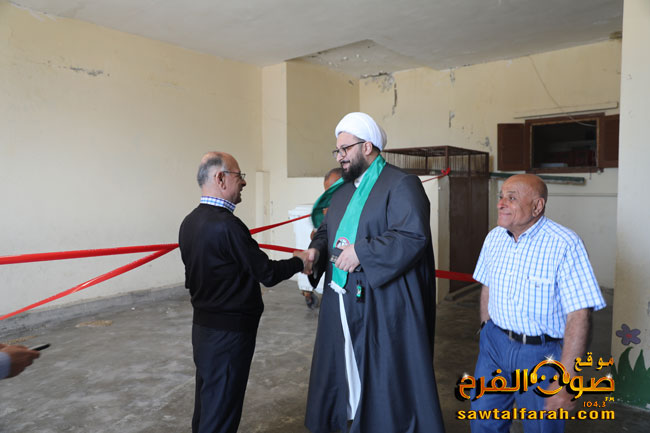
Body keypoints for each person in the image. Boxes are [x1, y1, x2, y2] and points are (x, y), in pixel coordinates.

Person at [304, 112, 445, 433]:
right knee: (344, 362)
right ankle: (349, 416)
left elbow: (412, 236)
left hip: (381, 300)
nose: (339, 156)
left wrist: (362, 252)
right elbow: (327, 230)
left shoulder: (401, 184)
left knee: (382, 369)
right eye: (337, 150)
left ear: (367, 147)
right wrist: (317, 250)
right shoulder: (342, 190)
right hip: (341, 297)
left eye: (345, 149)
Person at [179, 151, 311, 433]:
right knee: (222, 409)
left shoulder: (190, 222)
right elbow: (267, 273)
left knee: (208, 402)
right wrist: (301, 261)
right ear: (220, 178)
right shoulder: (228, 226)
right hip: (229, 334)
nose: (244, 182)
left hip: (202, 330)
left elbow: (192, 280)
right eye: (239, 176)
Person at [470, 174, 606, 433]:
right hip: (494, 346)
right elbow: (487, 284)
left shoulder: (565, 244)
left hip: (540, 355)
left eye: (511, 198)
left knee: (541, 427)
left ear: (537, 206)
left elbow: (579, 314)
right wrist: (487, 328)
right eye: (501, 197)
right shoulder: (494, 238)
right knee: (484, 421)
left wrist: (567, 379)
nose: (500, 204)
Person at [301, 167, 343, 309]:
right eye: (327, 192)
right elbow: (317, 236)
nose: (331, 197)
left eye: (335, 190)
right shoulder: (326, 209)